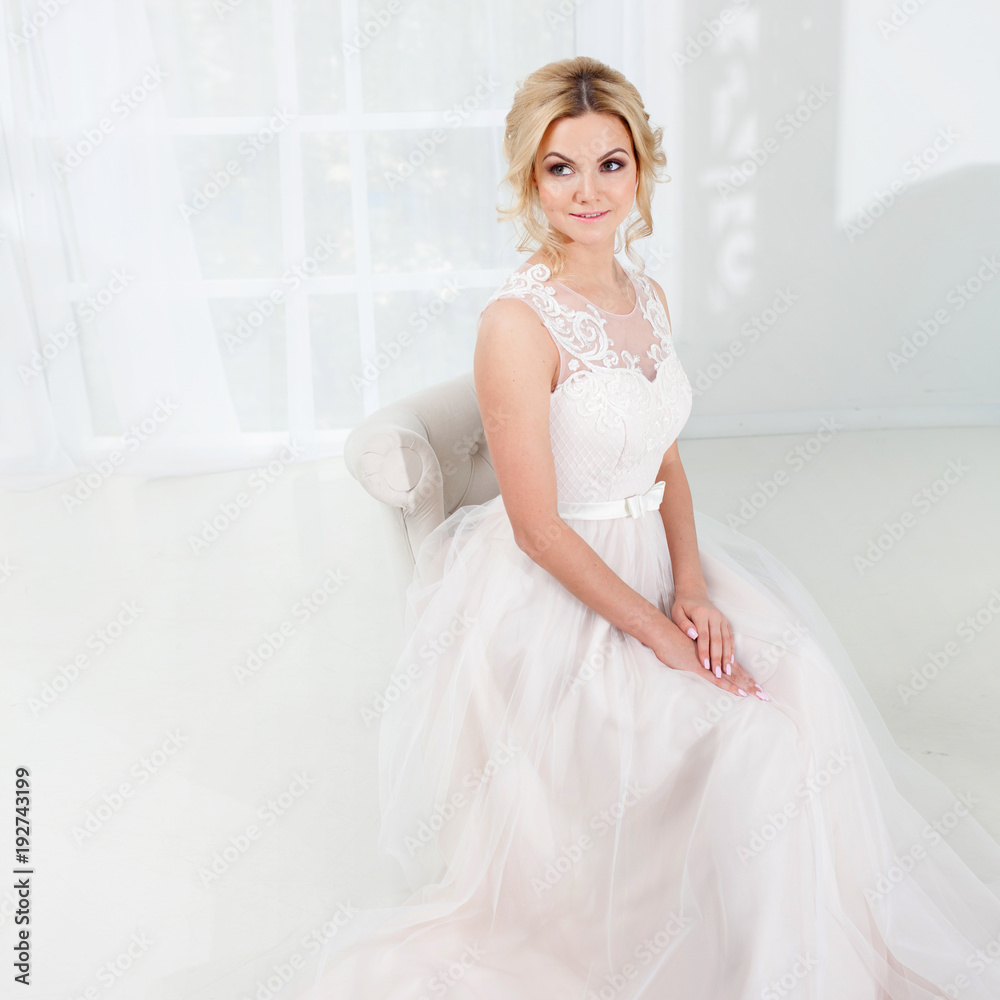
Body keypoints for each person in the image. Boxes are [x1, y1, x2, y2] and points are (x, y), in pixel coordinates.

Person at [305, 56, 1000, 999]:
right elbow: (537, 529)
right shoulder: (515, 323)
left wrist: (695, 590)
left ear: (641, 170)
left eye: (611, 163)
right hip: (557, 591)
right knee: (747, 742)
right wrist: (659, 634)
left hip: (660, 559)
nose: (588, 191)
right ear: (528, 177)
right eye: (561, 167)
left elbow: (665, 462)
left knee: (800, 681)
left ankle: (800, 956)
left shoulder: (648, 297)